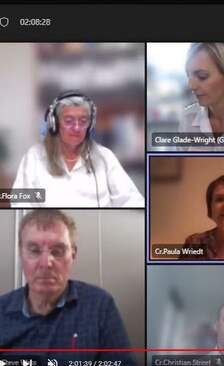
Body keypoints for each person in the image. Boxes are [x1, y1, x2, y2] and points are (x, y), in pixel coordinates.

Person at [0, 210, 136, 364]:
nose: (45, 263)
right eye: (34, 250)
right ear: (20, 253)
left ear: (73, 255)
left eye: (57, 251)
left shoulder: (99, 306)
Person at [12, 90, 144, 208]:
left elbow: (132, 199)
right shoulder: (34, 156)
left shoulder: (105, 157)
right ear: (55, 123)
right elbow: (20, 200)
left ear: (90, 124)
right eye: (69, 121)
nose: (76, 128)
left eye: (83, 121)